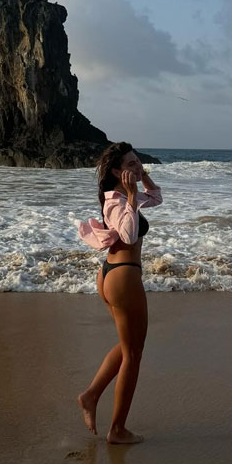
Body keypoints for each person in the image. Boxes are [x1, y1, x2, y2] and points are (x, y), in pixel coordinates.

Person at [77, 142, 163, 444]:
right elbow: (127, 234)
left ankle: (90, 395)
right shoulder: (115, 201)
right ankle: (117, 430)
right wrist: (129, 195)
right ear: (115, 171)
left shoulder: (126, 195)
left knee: (129, 347)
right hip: (123, 277)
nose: (136, 167)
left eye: (137, 161)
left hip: (115, 275)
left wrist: (144, 177)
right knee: (134, 354)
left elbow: (156, 199)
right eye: (130, 164)